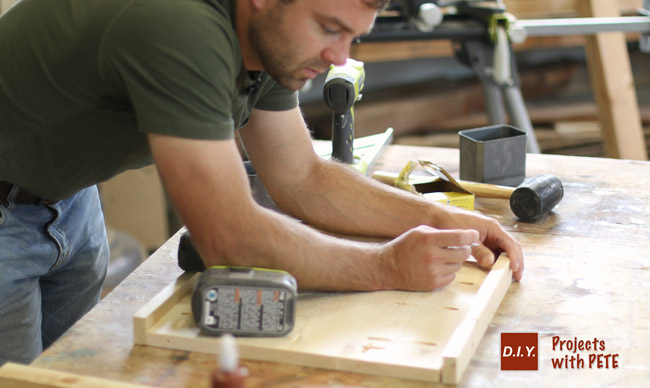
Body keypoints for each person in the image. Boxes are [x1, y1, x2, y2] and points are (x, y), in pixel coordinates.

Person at [0, 0, 524, 365]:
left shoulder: (269, 35)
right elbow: (229, 236)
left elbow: (302, 176)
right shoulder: (179, 28)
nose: (340, 56)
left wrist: (436, 215)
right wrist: (386, 265)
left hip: (65, 198)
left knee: (65, 370)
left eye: (352, 35)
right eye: (328, 27)